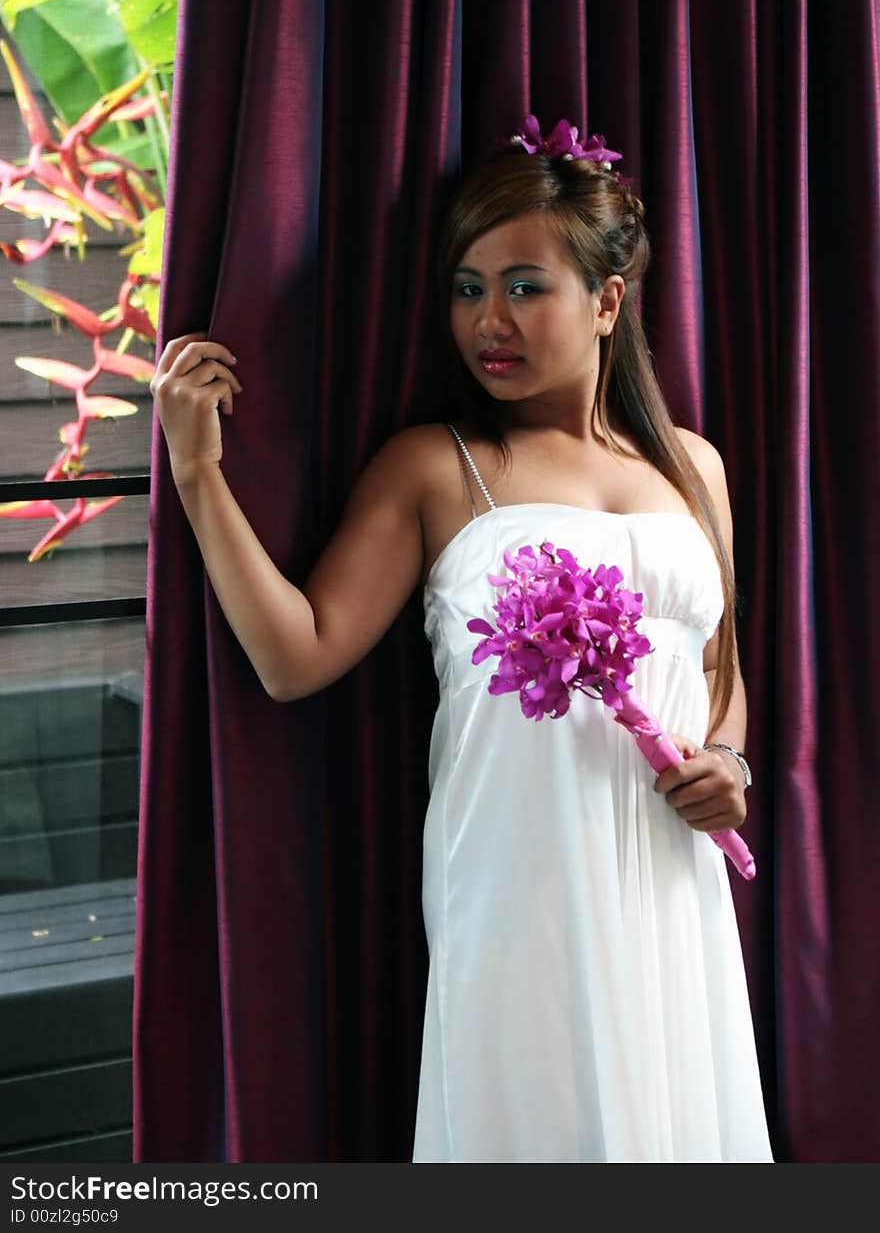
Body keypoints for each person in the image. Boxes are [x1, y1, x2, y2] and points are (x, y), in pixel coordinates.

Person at [151, 115, 774, 1163]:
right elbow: (294, 655)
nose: (489, 319)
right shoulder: (436, 466)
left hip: (671, 884)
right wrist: (196, 476)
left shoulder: (694, 470)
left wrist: (730, 760)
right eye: (467, 287)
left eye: (525, 285)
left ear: (607, 301)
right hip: (516, 887)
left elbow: (716, 671)